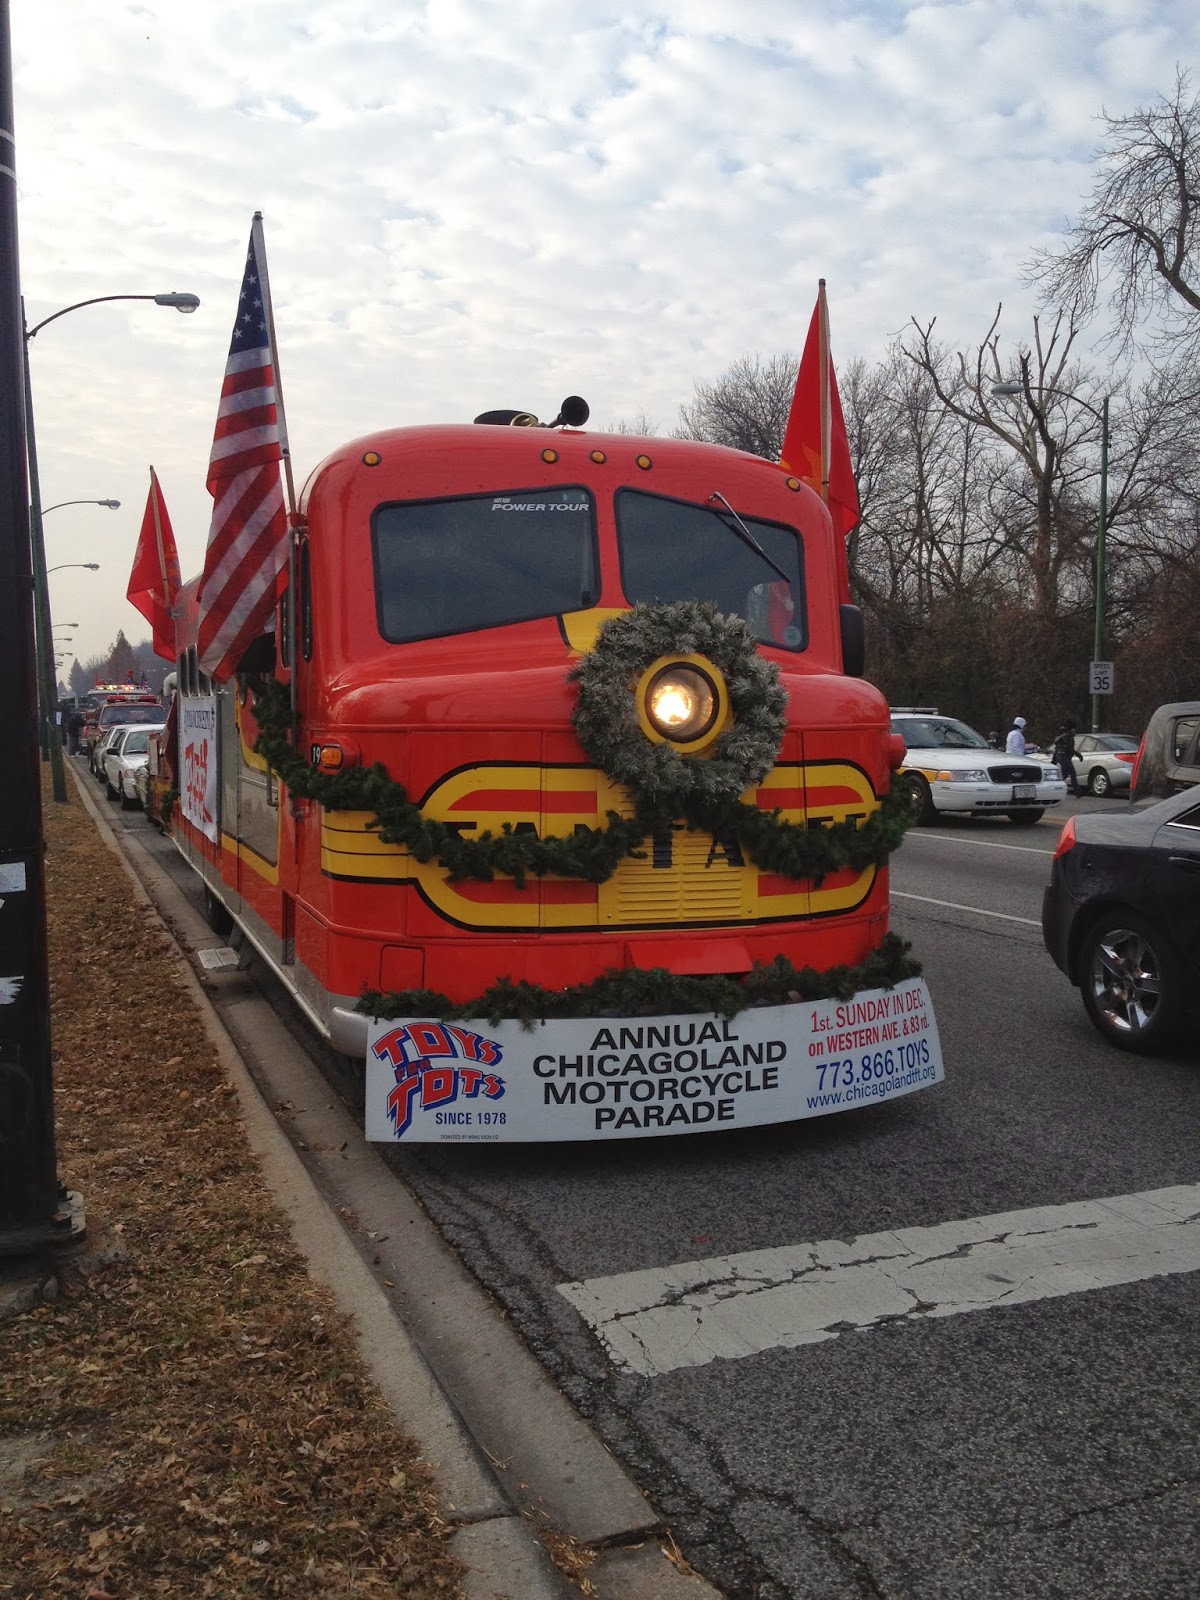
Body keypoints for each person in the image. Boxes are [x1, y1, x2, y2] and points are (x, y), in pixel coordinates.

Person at [1053, 720, 1081, 795]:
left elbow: (1057, 749)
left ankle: (1055, 788)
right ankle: (1078, 792)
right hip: (1064, 757)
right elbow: (1069, 749)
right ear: (1071, 728)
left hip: (1061, 757)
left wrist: (1054, 761)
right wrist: (1078, 755)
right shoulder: (1068, 736)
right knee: (1072, 773)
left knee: (1065, 774)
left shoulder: (1062, 736)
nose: (1075, 730)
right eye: (1074, 728)